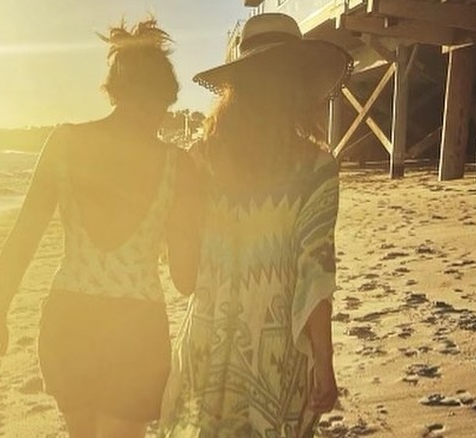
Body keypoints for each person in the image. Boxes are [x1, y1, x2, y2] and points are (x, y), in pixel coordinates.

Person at [0, 18, 202, 438]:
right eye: (165, 107)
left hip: (70, 319)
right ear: (161, 98)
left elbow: (23, 238)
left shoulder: (64, 143)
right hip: (136, 328)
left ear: (114, 92)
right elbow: (185, 279)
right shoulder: (178, 166)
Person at [161, 13, 352, 437]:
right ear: (299, 88)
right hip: (275, 357)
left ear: (236, 89)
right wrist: (324, 361)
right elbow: (315, 274)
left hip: (204, 350)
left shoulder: (199, 160)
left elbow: (184, 279)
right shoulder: (317, 168)